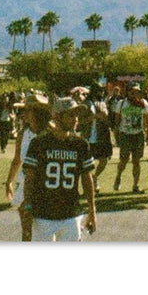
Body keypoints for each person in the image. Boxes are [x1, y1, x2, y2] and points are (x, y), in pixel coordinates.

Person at [22, 96, 97, 242]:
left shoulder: (81, 144)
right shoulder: (39, 143)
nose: (75, 119)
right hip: (43, 213)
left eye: (76, 114)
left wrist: (92, 210)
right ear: (57, 117)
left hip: (71, 213)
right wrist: (28, 206)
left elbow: (87, 179)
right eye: (70, 115)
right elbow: (30, 178)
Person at [6, 93, 52, 240]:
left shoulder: (51, 133)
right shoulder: (23, 134)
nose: (23, 113)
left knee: (44, 229)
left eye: (28, 110)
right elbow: (17, 160)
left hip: (46, 185)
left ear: (38, 112)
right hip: (27, 183)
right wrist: (9, 181)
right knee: (27, 228)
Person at [113, 83, 148, 194]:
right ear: (128, 92)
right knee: (124, 160)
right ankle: (118, 176)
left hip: (138, 135)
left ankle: (135, 185)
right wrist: (117, 137)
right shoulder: (121, 104)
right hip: (125, 134)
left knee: (136, 161)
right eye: (132, 91)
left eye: (137, 91)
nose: (135, 94)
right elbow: (117, 122)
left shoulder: (143, 103)